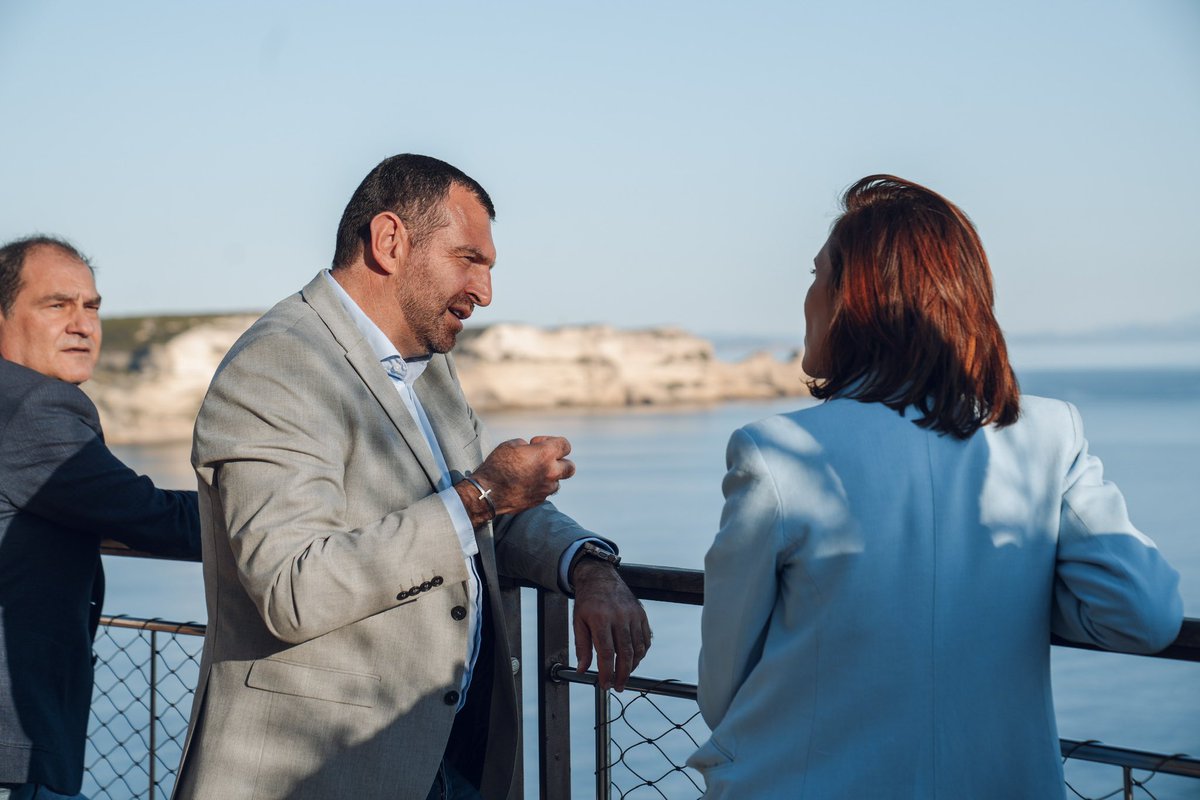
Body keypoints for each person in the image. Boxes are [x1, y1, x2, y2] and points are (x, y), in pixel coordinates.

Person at [172, 154, 652, 800]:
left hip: (445, 767)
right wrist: (478, 495)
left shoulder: (428, 373)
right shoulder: (281, 364)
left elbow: (498, 506)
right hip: (319, 778)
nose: (484, 293)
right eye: (468, 260)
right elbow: (293, 588)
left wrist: (588, 565)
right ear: (391, 241)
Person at [688, 176, 1183, 799]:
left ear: (853, 299)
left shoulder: (774, 450)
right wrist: (1008, 592)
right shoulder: (1050, 432)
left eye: (817, 275)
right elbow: (1141, 615)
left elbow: (723, 684)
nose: (807, 296)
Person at [0, 236, 201, 800]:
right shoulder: (31, 407)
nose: (82, 324)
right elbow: (149, 515)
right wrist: (280, 522)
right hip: (14, 743)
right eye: (56, 305)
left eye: (92, 306)